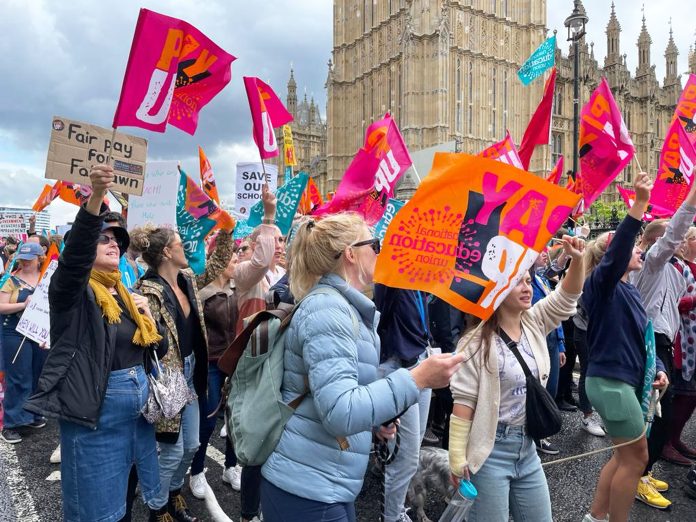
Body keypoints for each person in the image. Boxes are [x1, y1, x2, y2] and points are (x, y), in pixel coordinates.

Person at [260, 213, 464, 522]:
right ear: (351, 254)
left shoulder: (338, 306)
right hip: (309, 487)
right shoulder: (329, 310)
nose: (381, 252)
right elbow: (340, 411)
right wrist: (416, 379)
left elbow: (328, 394)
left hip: (323, 479)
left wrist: (371, 425)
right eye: (376, 244)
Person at [25, 165, 167, 522]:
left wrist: (150, 317)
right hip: (95, 417)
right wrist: (97, 199)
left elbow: (157, 352)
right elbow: (73, 259)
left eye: (117, 239)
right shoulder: (70, 290)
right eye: (104, 238)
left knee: (123, 503)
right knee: (95, 511)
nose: (114, 243)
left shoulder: (124, 293)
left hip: (136, 419)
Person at [448, 235, 585, 522]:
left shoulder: (533, 321)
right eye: (519, 282)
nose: (527, 287)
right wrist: (457, 460)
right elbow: (464, 404)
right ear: (498, 288)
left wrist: (578, 259)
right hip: (489, 452)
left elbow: (567, 297)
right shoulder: (473, 342)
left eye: (528, 279)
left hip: (528, 448)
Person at [582, 172, 670, 522]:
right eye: (631, 245)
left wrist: (658, 369)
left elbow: (641, 340)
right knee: (636, 459)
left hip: (623, 381)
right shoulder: (600, 285)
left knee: (622, 458)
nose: (637, 249)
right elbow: (619, 248)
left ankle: (596, 517)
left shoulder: (629, 289)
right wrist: (639, 204)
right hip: (610, 383)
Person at [133, 216, 232, 522]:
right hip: (169, 378)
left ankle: (174, 492)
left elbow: (216, 265)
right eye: (179, 244)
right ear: (166, 253)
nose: (185, 248)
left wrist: (226, 230)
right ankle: (158, 508)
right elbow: (152, 339)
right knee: (172, 450)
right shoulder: (148, 290)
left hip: (192, 372)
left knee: (192, 444)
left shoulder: (186, 278)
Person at [630, 174, 696, 503]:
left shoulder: (672, 271)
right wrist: (691, 201)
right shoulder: (651, 264)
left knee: (659, 416)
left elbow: (675, 315)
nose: (682, 242)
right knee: (654, 415)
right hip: (650, 345)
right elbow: (671, 238)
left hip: (665, 346)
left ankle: (643, 471)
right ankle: (636, 476)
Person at [234, 184, 283, 522]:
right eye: (274, 239)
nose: (279, 245)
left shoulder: (285, 275)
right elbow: (262, 261)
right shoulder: (244, 275)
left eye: (281, 240)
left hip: (276, 364)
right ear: (256, 244)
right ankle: (249, 513)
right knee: (256, 438)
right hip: (252, 363)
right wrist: (269, 216)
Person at [189, 234, 242, 497]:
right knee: (208, 421)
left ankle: (231, 466)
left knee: (233, 418)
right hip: (209, 363)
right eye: (233, 260)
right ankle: (196, 471)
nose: (236, 263)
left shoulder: (234, 288)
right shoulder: (202, 292)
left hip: (230, 362)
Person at [375, 285, 432, 522]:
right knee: (405, 457)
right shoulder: (391, 279)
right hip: (398, 366)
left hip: (421, 359)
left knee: (412, 448)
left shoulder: (420, 284)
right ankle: (391, 516)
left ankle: (396, 509)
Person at [0, 242, 47, 444]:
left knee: (38, 374)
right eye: (23, 259)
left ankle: (33, 415)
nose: (26, 263)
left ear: (39, 259)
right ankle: (11, 423)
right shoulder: (10, 280)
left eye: (30, 259)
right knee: (19, 376)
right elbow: (1, 306)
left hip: (40, 332)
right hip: (14, 332)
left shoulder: (46, 280)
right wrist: (23, 304)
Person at [663, 226, 696, 462]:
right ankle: (665, 442)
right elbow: (671, 301)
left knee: (692, 395)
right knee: (683, 393)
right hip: (682, 338)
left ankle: (674, 438)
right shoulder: (676, 267)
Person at [530, 249, 566, 456]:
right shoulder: (524, 281)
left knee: (550, 388)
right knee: (539, 391)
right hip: (537, 341)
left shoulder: (541, 279)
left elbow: (554, 315)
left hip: (551, 341)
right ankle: (537, 436)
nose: (545, 253)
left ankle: (541, 432)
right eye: (539, 251)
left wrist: (560, 344)